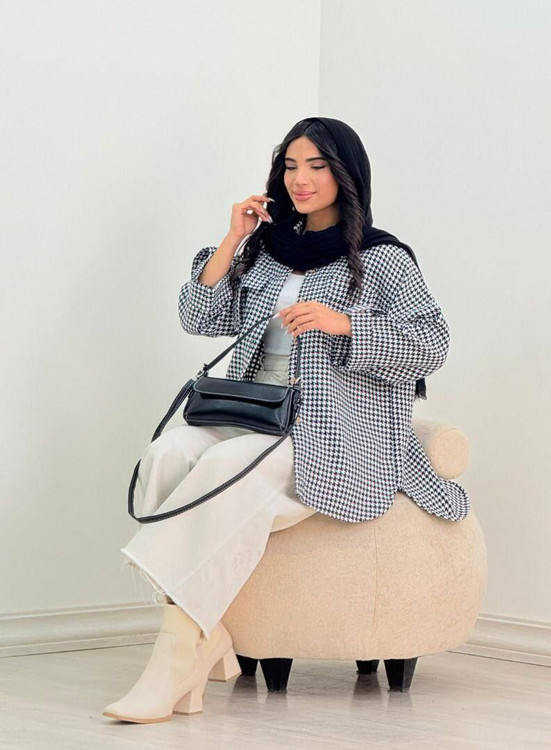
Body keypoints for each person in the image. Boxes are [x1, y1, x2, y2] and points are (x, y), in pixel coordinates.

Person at [103, 116, 469, 724]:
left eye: (317, 166)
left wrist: (344, 324)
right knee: (166, 453)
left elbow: (432, 344)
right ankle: (204, 636)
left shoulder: (383, 259)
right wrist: (232, 238)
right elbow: (198, 316)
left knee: (224, 464)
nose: (301, 179)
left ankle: (174, 660)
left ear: (346, 174)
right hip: (253, 409)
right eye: (291, 166)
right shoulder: (267, 250)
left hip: (334, 426)